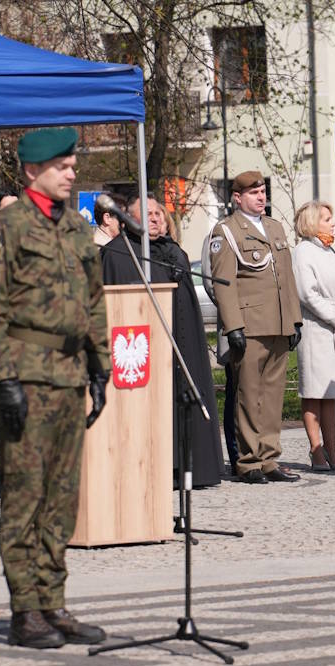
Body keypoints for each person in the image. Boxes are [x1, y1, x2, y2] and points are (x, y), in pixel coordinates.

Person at [0, 127, 109, 649]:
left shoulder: (78, 226)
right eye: (62, 166)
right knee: (25, 497)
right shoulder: (6, 227)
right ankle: (24, 611)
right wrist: (4, 378)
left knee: (61, 498)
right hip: (26, 376)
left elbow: (94, 301)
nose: (72, 173)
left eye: (73, 165)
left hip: (71, 376)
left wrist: (100, 367)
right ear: (33, 170)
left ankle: (54, 603)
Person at [100, 197, 224, 487]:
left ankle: (191, 466)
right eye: (146, 214)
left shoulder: (174, 253)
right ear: (128, 220)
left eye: (158, 213)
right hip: (142, 348)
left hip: (183, 344)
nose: (154, 218)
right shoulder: (116, 254)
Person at [207, 170, 303, 484]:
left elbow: (286, 278)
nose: (261, 197)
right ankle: (248, 462)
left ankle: (269, 458)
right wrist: (233, 326)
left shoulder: (275, 228)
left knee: (273, 396)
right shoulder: (227, 231)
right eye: (253, 193)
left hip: (277, 323)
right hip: (249, 325)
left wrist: (294, 319)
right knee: (249, 397)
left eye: (262, 191)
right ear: (237, 197)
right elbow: (224, 283)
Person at [292, 200, 335, 471]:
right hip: (316, 330)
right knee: (313, 392)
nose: (333, 222)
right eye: (327, 218)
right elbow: (307, 294)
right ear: (312, 222)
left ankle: (332, 450)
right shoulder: (303, 252)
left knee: (331, 393)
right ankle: (316, 451)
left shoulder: (332, 251)